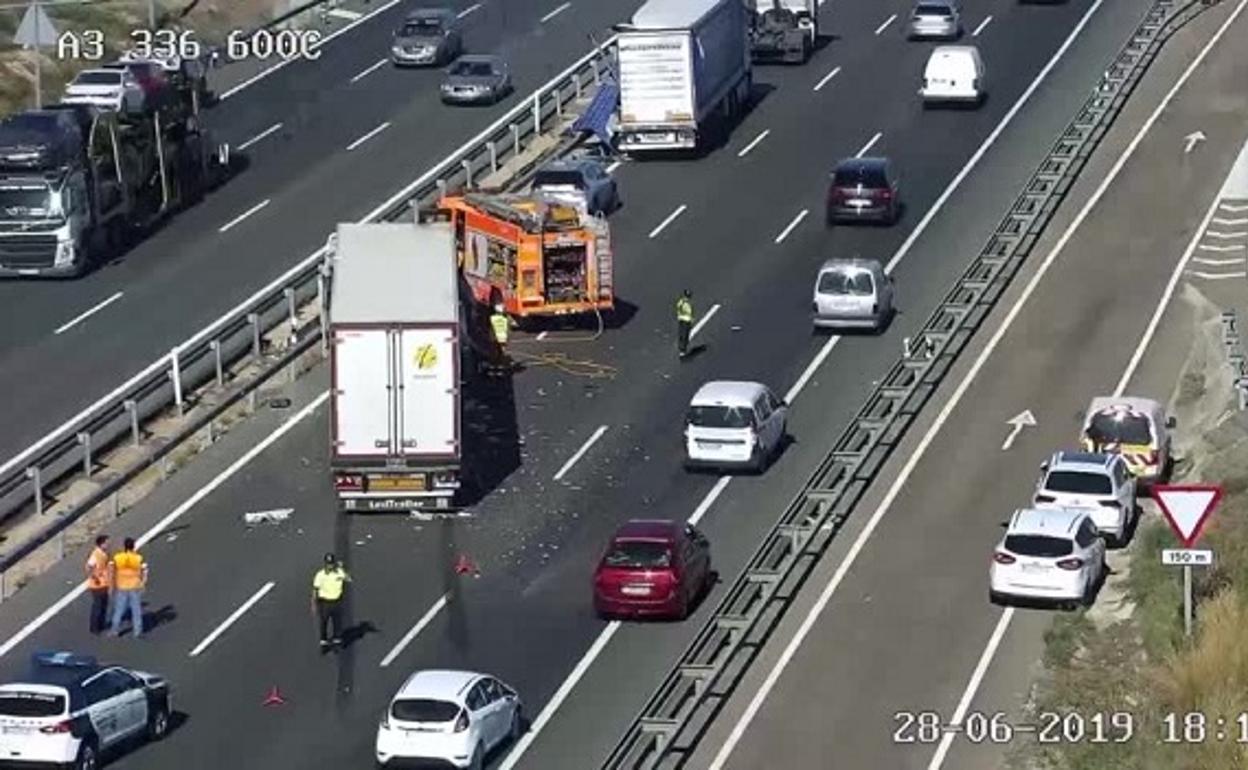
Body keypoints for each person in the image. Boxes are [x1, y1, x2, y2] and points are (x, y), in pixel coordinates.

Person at [109, 538, 148, 638]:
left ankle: (114, 630)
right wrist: (143, 583)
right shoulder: (138, 558)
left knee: (119, 610)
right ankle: (137, 632)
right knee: (136, 610)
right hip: (135, 586)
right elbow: (145, 571)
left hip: (121, 586)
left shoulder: (118, 557)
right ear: (133, 546)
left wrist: (112, 584)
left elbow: (112, 570)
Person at [311, 553, 351, 649]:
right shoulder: (320, 575)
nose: (330, 566)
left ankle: (337, 638)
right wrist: (313, 604)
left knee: (337, 620)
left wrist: (343, 569)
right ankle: (323, 640)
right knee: (324, 621)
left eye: (332, 564)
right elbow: (315, 589)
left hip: (337, 601)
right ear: (325, 564)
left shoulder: (339, 572)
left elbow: (348, 579)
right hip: (325, 602)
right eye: (328, 564)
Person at [85, 535, 110, 635]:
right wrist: (94, 577)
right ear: (101, 544)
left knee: (104, 604)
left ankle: (101, 624)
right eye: (106, 543)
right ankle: (94, 627)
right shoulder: (96, 555)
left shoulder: (104, 554)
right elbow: (88, 567)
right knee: (98, 606)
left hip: (104, 583)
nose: (108, 544)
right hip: (97, 585)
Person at [488, 304, 511, 376]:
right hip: (503, 339)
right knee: (502, 354)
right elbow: (507, 329)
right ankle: (501, 368)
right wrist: (507, 338)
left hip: (494, 339)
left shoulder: (492, 318)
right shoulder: (505, 319)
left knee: (494, 354)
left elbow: (490, 329)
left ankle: (493, 368)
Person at [675, 290, 694, 358]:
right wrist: (692, 320)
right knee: (685, 334)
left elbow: (677, 308)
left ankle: (681, 348)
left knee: (681, 333)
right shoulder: (688, 304)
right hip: (686, 321)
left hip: (681, 319)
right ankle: (683, 350)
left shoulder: (681, 302)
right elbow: (690, 313)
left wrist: (679, 315)